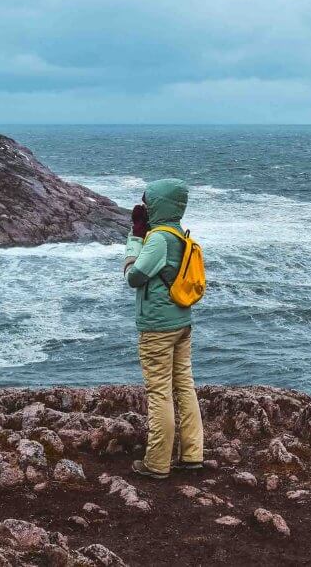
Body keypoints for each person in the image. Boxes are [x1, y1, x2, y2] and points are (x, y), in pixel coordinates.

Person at [123, 178, 204, 479]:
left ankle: (157, 463)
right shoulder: (178, 234)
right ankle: (193, 454)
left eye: (148, 203)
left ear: (159, 205)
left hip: (158, 326)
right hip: (181, 321)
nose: (144, 207)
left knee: (159, 393)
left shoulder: (157, 239)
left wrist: (134, 239)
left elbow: (135, 276)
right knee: (184, 386)